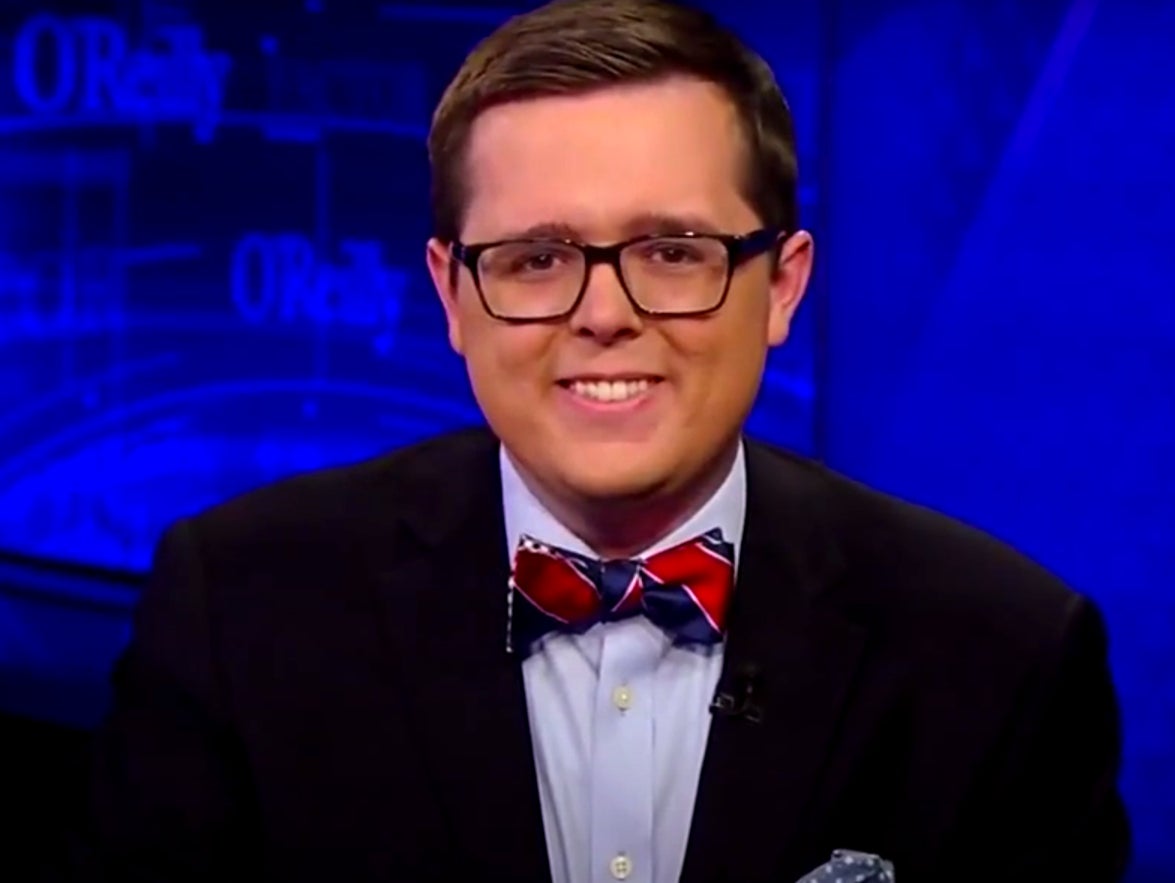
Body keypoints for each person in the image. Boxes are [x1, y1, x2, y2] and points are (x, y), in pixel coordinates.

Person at [75, 0, 1130, 881]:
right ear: (451, 295)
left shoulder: (1002, 653)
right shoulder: (238, 606)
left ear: (782, 284)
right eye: (537, 259)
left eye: (671, 250)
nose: (604, 314)